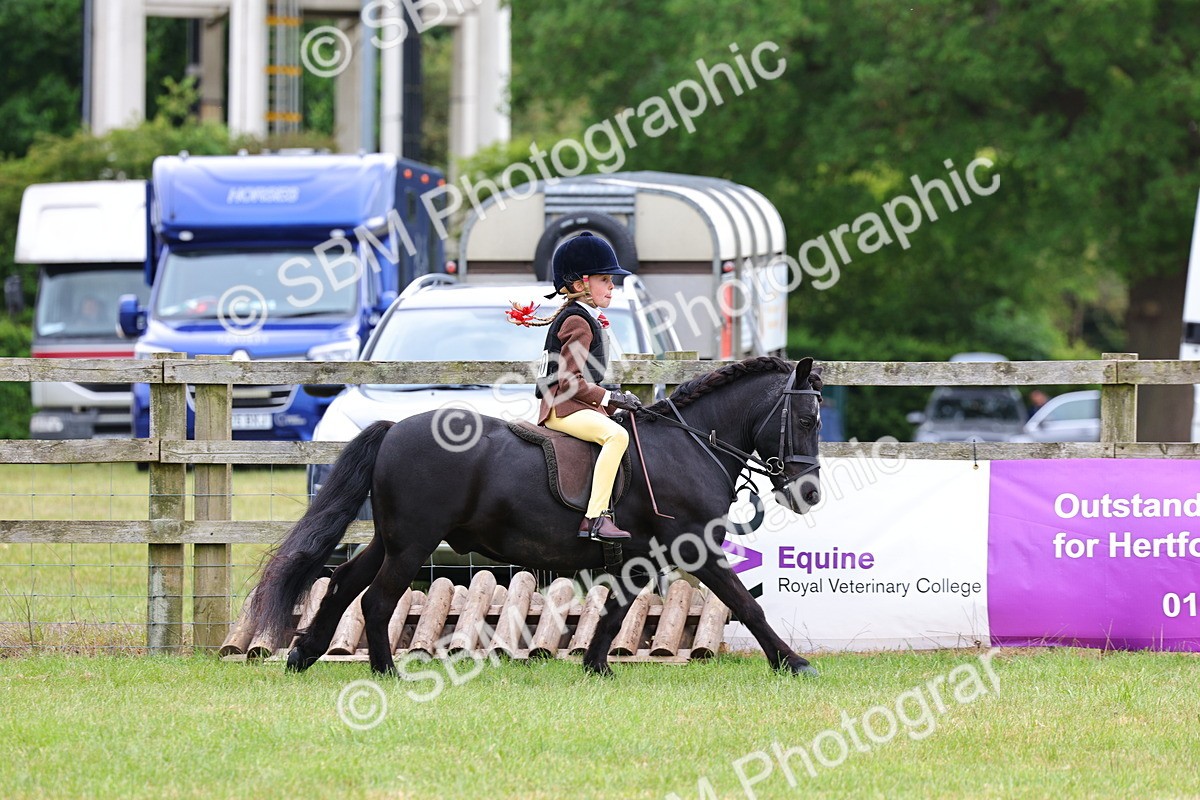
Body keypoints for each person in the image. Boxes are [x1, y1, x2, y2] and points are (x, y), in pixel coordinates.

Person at [506, 232, 642, 540]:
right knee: (616, 436)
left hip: (572, 403)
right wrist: (610, 396)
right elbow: (569, 381)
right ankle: (595, 518)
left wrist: (611, 395)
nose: (612, 286)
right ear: (581, 284)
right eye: (605, 279)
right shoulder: (578, 321)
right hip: (562, 406)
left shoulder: (584, 317)